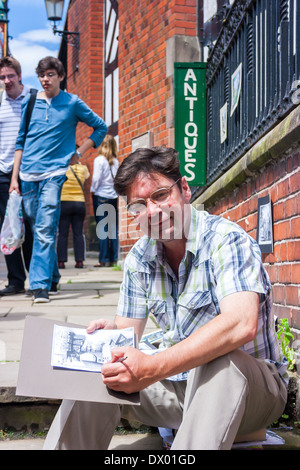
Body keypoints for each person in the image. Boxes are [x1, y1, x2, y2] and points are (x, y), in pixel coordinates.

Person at [44, 147, 288, 450]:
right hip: (180, 387)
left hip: (252, 392)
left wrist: (154, 365)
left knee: (222, 360)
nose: (153, 211)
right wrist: (110, 338)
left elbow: (240, 324)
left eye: (160, 195)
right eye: (139, 205)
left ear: (183, 189)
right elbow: (128, 334)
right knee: (100, 371)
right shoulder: (139, 258)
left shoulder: (226, 240)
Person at [9, 56, 107, 303]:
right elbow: (19, 142)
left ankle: (39, 286)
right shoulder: (30, 102)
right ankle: (51, 277)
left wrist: (78, 153)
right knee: (36, 227)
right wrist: (14, 179)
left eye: (50, 74)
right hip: (27, 175)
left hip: (54, 174)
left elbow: (100, 127)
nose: (45, 79)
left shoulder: (72, 102)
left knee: (44, 229)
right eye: (42, 75)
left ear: (61, 77)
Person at [0, 56, 33, 296]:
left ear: (19, 76)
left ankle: (38, 278)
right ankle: (15, 280)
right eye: (2, 77)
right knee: (8, 228)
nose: (7, 80)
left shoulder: (33, 98)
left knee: (31, 227)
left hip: (28, 171)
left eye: (10, 75)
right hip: (2, 172)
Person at [91, 134, 119, 267]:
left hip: (101, 196)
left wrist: (93, 189)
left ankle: (104, 259)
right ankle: (114, 258)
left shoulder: (99, 160)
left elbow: (96, 178)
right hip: (113, 197)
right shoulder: (116, 161)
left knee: (103, 228)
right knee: (112, 228)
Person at [57, 160, 90, 269]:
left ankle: (61, 262)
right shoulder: (83, 168)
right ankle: (79, 261)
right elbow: (86, 181)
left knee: (62, 234)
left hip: (64, 202)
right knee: (78, 233)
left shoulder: (61, 167)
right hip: (79, 202)